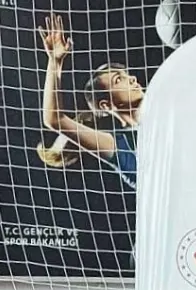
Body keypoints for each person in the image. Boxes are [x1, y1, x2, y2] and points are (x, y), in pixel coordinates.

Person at [38, 14, 142, 190]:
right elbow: (54, 119)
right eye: (119, 80)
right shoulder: (120, 145)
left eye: (127, 75)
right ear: (106, 105)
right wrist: (55, 62)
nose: (132, 79)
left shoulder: (164, 108)